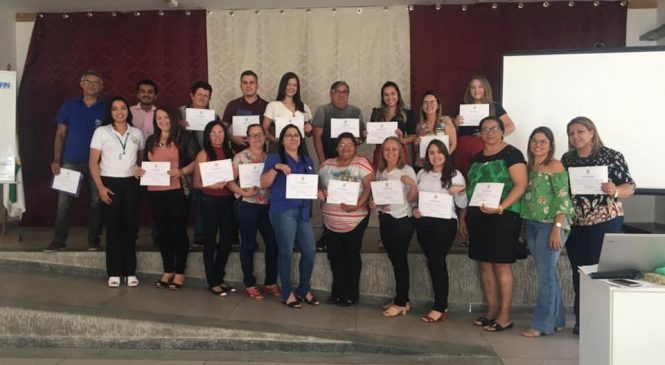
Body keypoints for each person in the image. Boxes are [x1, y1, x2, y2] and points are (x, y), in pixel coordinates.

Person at [561, 116, 635, 335]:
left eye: (580, 132)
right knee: (579, 272)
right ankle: (582, 321)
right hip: (576, 222)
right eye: (571, 133)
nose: (575, 137)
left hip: (605, 220)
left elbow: (630, 187)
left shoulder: (611, 156)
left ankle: (603, 322)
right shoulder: (567, 159)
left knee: (601, 271)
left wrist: (615, 190)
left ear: (592, 132)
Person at [466, 116, 527, 332]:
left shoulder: (512, 154)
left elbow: (521, 185)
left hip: (504, 215)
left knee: (501, 264)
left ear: (502, 131)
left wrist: (501, 207)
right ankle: (491, 311)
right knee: (484, 263)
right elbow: (471, 188)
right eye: (485, 129)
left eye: (494, 128)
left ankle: (504, 315)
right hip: (478, 216)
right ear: (480, 133)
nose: (489, 132)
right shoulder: (476, 157)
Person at [136, 108, 199, 290]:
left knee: (178, 230)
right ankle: (168, 269)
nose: (162, 121)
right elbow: (144, 164)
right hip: (155, 191)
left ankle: (180, 271)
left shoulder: (184, 138)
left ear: (173, 118)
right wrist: (139, 170)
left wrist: (182, 171)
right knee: (161, 231)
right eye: (159, 118)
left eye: (166, 117)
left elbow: (198, 160)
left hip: (177, 190)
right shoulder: (151, 140)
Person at [519, 126, 574, 337]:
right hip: (532, 224)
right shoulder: (528, 167)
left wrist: (556, 228)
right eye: (534, 141)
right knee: (548, 273)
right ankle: (557, 320)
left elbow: (563, 199)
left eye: (542, 141)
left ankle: (542, 325)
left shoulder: (556, 165)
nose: (537, 145)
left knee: (545, 276)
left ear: (550, 145)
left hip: (552, 225)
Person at [46, 70, 105, 252]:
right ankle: (59, 241)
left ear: (101, 87)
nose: (92, 85)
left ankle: (93, 240)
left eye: (96, 83)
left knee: (97, 202)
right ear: (81, 84)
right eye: (88, 82)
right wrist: (57, 160)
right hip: (70, 161)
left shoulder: (106, 108)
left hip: (98, 164)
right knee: (64, 203)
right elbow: (60, 134)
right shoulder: (69, 106)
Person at [261, 125, 318, 308]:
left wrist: (318, 192)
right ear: (282, 140)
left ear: (301, 139)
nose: (293, 138)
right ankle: (287, 292)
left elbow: (309, 185)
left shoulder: (307, 160)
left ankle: (303, 289)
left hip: (303, 211)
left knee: (309, 251)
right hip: (283, 210)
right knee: (286, 251)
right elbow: (264, 183)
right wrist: (276, 168)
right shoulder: (274, 158)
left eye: (296, 135)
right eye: (288, 135)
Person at [89, 96, 144, 288]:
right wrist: (101, 187)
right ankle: (113, 272)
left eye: (123, 108)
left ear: (128, 111)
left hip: (131, 183)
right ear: (110, 112)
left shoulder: (136, 132)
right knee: (112, 228)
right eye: (115, 109)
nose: (119, 112)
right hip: (109, 183)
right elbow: (92, 163)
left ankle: (130, 271)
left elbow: (141, 158)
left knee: (130, 228)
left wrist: (139, 168)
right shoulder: (101, 132)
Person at [412, 139, 467, 323]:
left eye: (439, 152)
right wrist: (415, 210)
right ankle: (441, 303)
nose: (435, 156)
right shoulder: (422, 173)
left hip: (445, 223)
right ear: (427, 156)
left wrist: (460, 191)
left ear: (445, 153)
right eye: (431, 153)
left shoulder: (455, 174)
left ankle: (440, 305)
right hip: (424, 223)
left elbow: (462, 204)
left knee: (436, 260)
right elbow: (415, 199)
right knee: (433, 261)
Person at [317, 133, 374, 306]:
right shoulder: (326, 165)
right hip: (330, 220)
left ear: (355, 146)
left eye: (350, 144)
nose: (346, 148)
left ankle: (351, 294)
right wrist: (321, 193)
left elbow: (369, 187)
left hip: (355, 220)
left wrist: (357, 205)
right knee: (334, 257)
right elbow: (319, 187)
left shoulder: (361, 163)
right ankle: (337, 293)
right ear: (336, 147)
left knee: (351, 256)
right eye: (342, 144)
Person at [226, 124, 280, 300]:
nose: (257, 138)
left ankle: (270, 282)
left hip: (267, 206)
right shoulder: (240, 157)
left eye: (260, 134)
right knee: (248, 244)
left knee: (273, 244)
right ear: (247, 138)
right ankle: (249, 283)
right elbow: (229, 181)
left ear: (265, 137)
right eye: (253, 135)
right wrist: (243, 193)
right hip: (247, 205)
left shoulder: (271, 158)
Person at [312, 80, 366, 252]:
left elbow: (360, 138)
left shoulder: (356, 111)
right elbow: (316, 137)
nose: (341, 94)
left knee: (346, 195)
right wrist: (322, 161)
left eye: (345, 91)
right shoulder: (323, 110)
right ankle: (327, 235)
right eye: (337, 91)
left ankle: (347, 234)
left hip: (349, 163)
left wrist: (361, 138)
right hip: (329, 161)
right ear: (331, 93)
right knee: (327, 199)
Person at [370, 137, 418, 317]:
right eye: (386, 150)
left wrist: (411, 185)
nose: (390, 153)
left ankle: (400, 302)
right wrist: (375, 203)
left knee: (399, 260)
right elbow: (378, 196)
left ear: (400, 152)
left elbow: (412, 199)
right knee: (394, 258)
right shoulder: (381, 171)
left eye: (394, 149)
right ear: (382, 152)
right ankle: (402, 298)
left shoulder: (407, 170)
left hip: (401, 220)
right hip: (385, 218)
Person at [193, 120, 236, 296]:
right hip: (210, 201)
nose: (218, 136)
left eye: (220, 132)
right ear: (207, 135)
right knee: (210, 240)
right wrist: (212, 186)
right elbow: (196, 183)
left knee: (226, 240)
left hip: (228, 201)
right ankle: (212, 280)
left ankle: (219, 276)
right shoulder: (203, 154)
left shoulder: (230, 153)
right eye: (213, 133)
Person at [178, 81, 223, 249]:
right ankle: (177, 239)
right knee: (180, 205)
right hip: (181, 163)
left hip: (205, 164)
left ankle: (200, 237)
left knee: (202, 202)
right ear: (192, 95)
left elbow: (219, 138)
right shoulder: (179, 113)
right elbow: (166, 130)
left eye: (206, 95)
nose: (203, 98)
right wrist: (178, 125)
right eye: (200, 94)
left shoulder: (214, 116)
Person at [453, 75, 514, 177]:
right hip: (462, 150)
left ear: (485, 88)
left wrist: (492, 135)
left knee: (482, 177)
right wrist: (455, 124)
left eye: (480, 86)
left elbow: (511, 126)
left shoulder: (495, 107)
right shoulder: (462, 108)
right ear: (469, 90)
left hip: (484, 148)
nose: (477, 90)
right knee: (462, 178)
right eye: (473, 87)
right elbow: (453, 133)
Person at [369, 81, 416, 170]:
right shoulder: (376, 113)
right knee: (380, 179)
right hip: (380, 152)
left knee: (399, 178)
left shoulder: (408, 114)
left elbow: (413, 135)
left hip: (399, 152)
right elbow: (372, 135)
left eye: (393, 93)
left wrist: (403, 140)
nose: (390, 97)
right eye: (386, 95)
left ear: (398, 94)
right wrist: (367, 133)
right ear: (383, 97)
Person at [262, 72, 313, 152]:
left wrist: (309, 129)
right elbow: (264, 130)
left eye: (294, 85)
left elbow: (309, 134)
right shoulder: (273, 105)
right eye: (288, 84)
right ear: (283, 85)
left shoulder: (304, 107)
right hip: (279, 148)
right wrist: (275, 140)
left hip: (300, 149)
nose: (291, 87)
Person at [223, 70, 269, 152]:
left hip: (260, 153)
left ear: (257, 85)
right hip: (237, 152)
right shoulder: (233, 104)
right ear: (241, 86)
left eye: (251, 82)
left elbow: (271, 131)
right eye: (245, 83)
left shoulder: (266, 106)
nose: (248, 86)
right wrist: (232, 137)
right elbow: (222, 128)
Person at [413, 91, 457, 171]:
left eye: (432, 102)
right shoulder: (420, 126)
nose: (429, 105)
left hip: (440, 166)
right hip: (422, 166)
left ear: (438, 106)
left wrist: (442, 158)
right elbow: (417, 150)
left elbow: (453, 144)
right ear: (422, 106)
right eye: (425, 102)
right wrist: (416, 143)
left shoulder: (445, 123)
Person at [130, 79, 158, 144]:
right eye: (142, 91)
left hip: (154, 150)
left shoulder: (161, 114)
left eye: (150, 92)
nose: (146, 94)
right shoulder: (128, 111)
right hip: (134, 150)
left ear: (155, 96)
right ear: (138, 95)